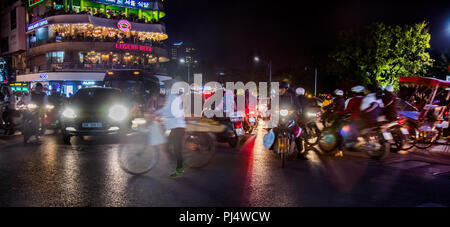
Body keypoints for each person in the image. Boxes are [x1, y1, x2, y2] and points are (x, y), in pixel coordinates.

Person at [154, 81, 186, 178]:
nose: (165, 90)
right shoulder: (172, 97)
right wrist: (158, 113)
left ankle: (179, 167)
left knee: (176, 149)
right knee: (169, 147)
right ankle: (178, 163)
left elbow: (168, 111)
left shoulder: (173, 98)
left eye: (167, 87)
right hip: (176, 127)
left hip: (178, 127)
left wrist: (157, 114)